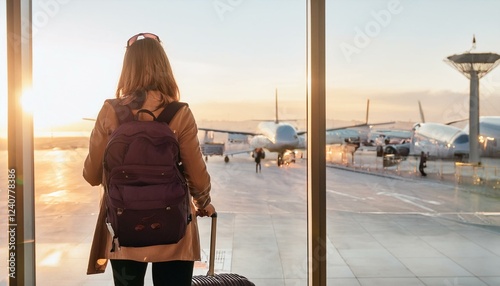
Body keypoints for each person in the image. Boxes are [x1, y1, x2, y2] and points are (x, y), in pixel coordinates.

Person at [83, 32, 214, 286]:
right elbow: (197, 176)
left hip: (124, 227)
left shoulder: (110, 111)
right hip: (173, 228)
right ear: (164, 66)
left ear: (127, 68)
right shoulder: (181, 113)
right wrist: (203, 201)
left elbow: (90, 175)